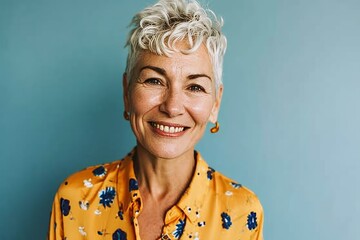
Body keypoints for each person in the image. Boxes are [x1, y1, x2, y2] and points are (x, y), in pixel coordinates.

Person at [47, 0, 264, 239]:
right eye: (154, 81)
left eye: (194, 87)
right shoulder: (76, 200)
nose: (172, 107)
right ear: (126, 93)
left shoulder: (242, 214)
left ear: (216, 103)